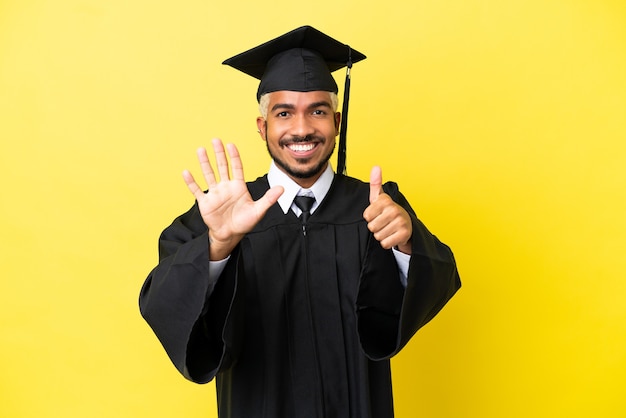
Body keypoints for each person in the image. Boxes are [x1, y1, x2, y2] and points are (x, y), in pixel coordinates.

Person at [139, 26, 461, 418]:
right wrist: (218, 247)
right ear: (263, 128)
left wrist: (408, 247)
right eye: (284, 113)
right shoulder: (224, 214)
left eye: (318, 111)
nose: (302, 128)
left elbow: (438, 279)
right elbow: (163, 303)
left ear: (337, 122)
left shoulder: (376, 207)